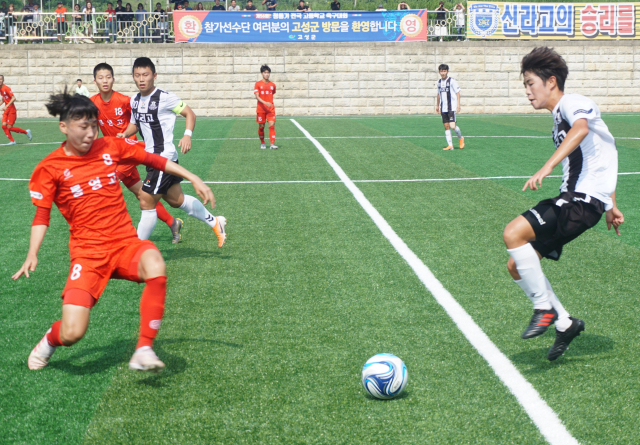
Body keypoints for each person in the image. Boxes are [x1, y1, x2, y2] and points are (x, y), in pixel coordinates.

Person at [13, 89, 216, 373]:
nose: (90, 134)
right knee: (72, 333)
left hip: (124, 244)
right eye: (83, 127)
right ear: (64, 126)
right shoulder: (50, 168)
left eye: (94, 126)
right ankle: (48, 341)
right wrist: (32, 253)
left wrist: (192, 176)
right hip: (88, 255)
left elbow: (153, 160)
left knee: (155, 262)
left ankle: (144, 348)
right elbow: (41, 215)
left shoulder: (110, 147)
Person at [503, 47, 624, 361]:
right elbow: (604, 150)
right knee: (517, 264)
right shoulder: (559, 116)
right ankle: (565, 322)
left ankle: (542, 308)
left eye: (531, 83)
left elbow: (582, 130)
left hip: (578, 202)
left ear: (551, 81)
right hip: (584, 202)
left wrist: (546, 167)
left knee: (513, 233)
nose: (527, 91)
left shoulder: (572, 103)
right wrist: (611, 205)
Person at [117, 57, 227, 246]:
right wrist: (124, 134)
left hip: (163, 157)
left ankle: (133, 249)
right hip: (150, 159)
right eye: (137, 75)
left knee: (146, 202)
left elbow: (189, 114)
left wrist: (187, 135)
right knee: (177, 200)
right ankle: (215, 222)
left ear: (154, 76)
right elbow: (135, 124)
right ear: (133, 77)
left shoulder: (165, 97)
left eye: (145, 75)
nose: (141, 79)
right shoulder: (135, 100)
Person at [91, 63, 182, 243]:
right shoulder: (92, 103)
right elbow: (94, 129)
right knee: (143, 194)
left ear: (113, 79)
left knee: (107, 182)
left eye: (108, 77)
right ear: (95, 81)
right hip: (115, 156)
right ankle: (173, 222)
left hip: (131, 151)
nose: (105, 81)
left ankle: (106, 235)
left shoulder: (125, 101)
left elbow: (140, 119)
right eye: (101, 78)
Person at [435, 64, 463, 150]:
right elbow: (438, 94)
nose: (443, 73)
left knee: (453, 126)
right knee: (446, 126)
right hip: (443, 107)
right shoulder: (439, 82)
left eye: (444, 71)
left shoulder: (452, 81)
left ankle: (460, 138)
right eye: (441, 71)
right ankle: (450, 145)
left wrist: (458, 104)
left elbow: (457, 92)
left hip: (451, 107)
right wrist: (437, 105)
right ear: (439, 72)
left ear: (447, 71)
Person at [0, 75, 32, 145]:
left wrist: (6, 106)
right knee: (3, 126)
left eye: (0, 79)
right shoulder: (0, 89)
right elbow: (4, 99)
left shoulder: (6, 88)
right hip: (6, 110)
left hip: (11, 109)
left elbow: (13, 98)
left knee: (9, 127)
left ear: (3, 80)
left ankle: (26, 132)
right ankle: (12, 141)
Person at [254, 65, 277, 150]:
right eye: (265, 72)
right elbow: (257, 96)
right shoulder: (257, 84)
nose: (267, 74)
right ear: (262, 73)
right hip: (261, 109)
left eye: (268, 72)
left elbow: (272, 93)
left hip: (270, 109)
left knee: (272, 125)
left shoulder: (273, 85)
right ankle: (262, 142)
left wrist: (268, 103)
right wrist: (265, 102)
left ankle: (272, 144)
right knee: (261, 127)